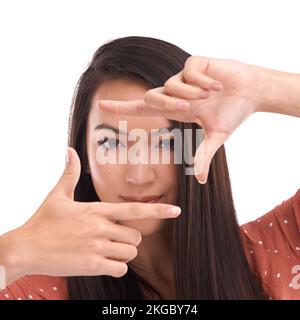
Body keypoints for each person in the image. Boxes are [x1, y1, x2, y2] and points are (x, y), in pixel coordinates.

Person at [0, 36, 299, 300]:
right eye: (112, 143)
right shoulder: (31, 287)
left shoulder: (283, 246)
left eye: (167, 143)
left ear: (199, 146)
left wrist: (262, 90)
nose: (139, 175)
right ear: (85, 156)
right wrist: (13, 253)